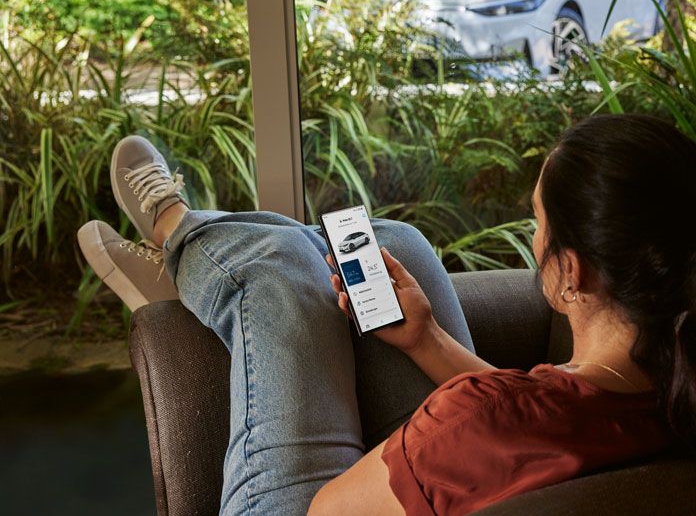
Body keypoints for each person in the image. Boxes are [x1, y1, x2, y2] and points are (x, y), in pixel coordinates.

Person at [77, 113, 696, 515]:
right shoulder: (675, 389)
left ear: (574, 272)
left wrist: (406, 441)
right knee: (391, 244)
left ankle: (175, 231)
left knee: (276, 264)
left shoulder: (470, 418)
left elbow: (330, 510)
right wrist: (427, 339)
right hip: (457, 475)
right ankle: (191, 256)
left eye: (538, 222)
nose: (533, 236)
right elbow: (537, 425)